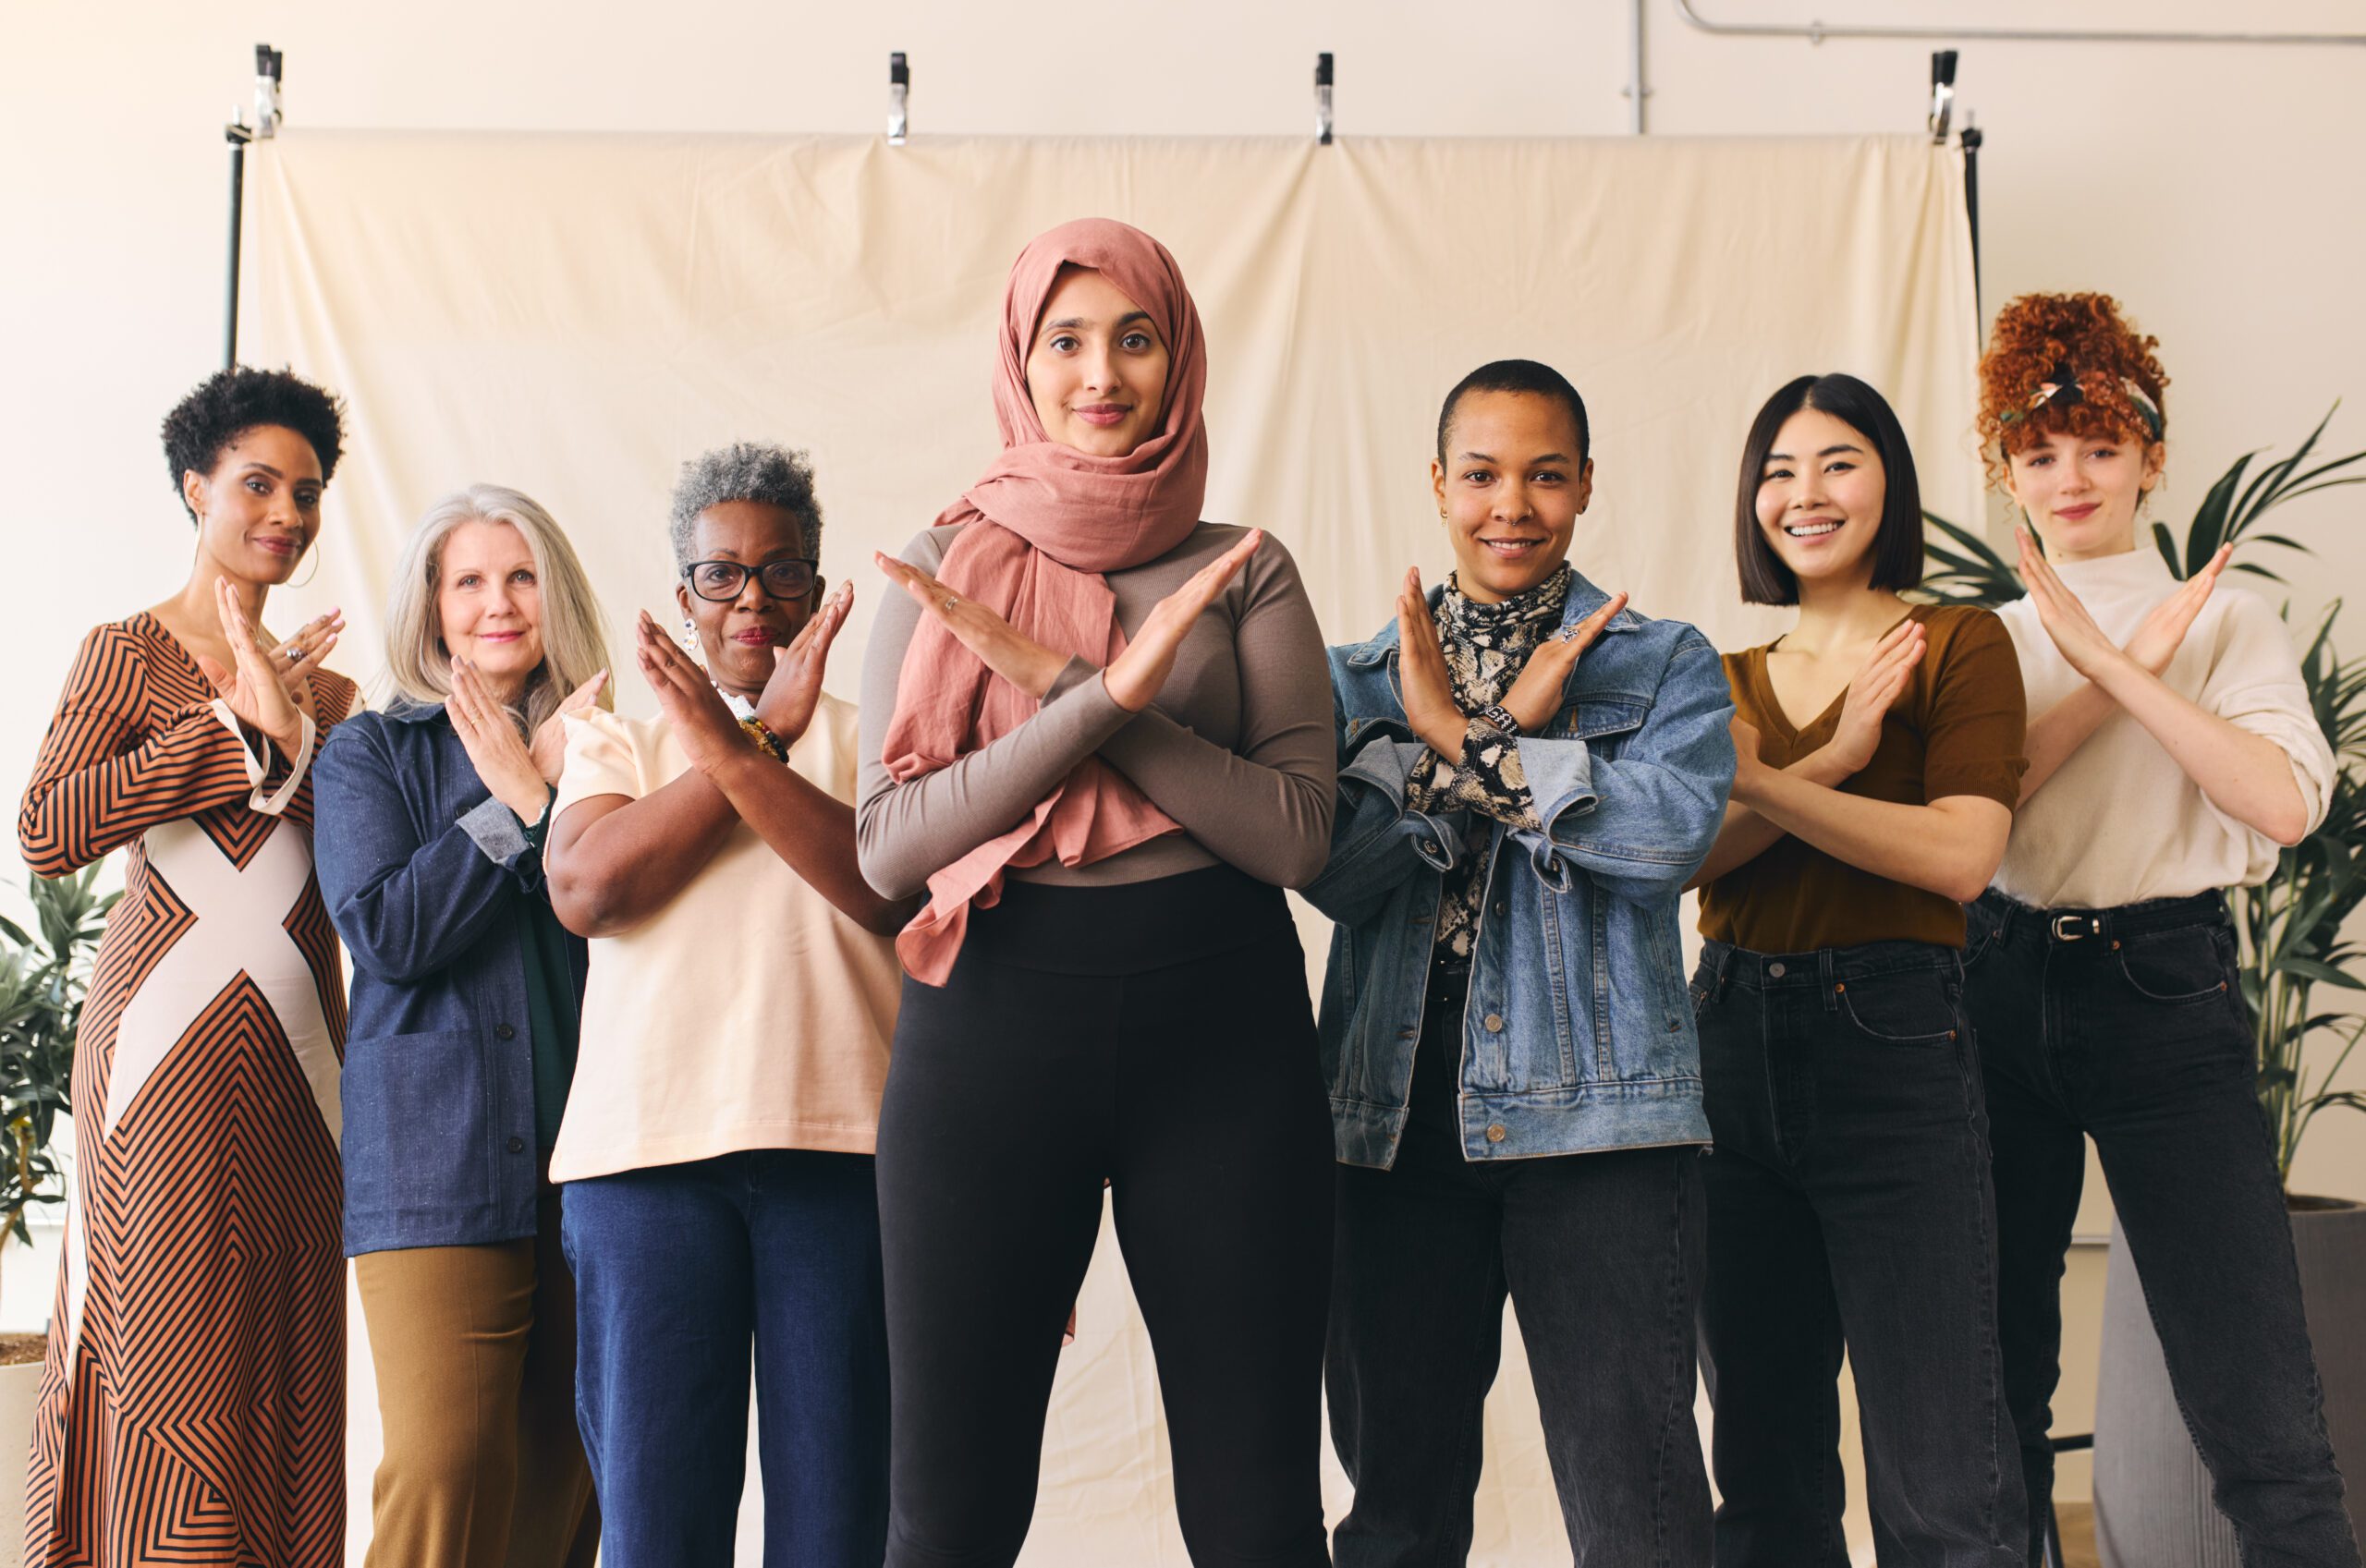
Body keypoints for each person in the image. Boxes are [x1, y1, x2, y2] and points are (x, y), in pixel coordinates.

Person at [857, 217, 1336, 1568]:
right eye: (1066, 339)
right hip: (991, 1031)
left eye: (1136, 337)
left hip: (1224, 1032)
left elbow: (1298, 836)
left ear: (1179, 354)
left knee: (1257, 1518)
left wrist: (1082, 691)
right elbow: (888, 851)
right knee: (946, 1518)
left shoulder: (1244, 565)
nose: (1101, 372)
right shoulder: (941, 563)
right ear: (1021, 358)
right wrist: (1114, 701)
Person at [1305, 359, 1733, 1565]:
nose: (1514, 504)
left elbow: (1663, 840)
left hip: (1603, 1129)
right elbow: (1337, 874)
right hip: (1390, 1122)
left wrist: (1456, 748)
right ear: (1438, 484)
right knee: (1396, 1513)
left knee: (1639, 1512)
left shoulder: (1661, 664)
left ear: (1587, 485)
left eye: (1546, 474)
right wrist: (1493, 755)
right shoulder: (1356, 679)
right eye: (1484, 474)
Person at [1963, 292, 2359, 1567]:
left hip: (2166, 990)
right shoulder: (1984, 642)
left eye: (2097, 445)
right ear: (2005, 471)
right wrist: (2103, 664)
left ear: (2150, 456)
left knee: (2256, 1399)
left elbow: (2286, 806)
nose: (2069, 478)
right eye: (2039, 453)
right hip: (1993, 985)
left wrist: (2137, 663)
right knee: (1995, 1388)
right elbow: (1973, 823)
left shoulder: (2225, 619)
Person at [545, 443, 909, 1567]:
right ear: (681, 594)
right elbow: (590, 886)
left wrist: (772, 741)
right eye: (721, 573)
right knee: (656, 1534)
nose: (753, 596)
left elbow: (890, 894)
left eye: (782, 570)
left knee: (837, 1529)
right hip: (645, 1166)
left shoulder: (883, 736)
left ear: (815, 584)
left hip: (845, 1161)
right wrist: (757, 739)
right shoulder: (618, 738)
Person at [1688, 372, 2029, 1567]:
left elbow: (1961, 856)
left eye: (1838, 461)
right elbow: (1694, 865)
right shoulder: (1718, 673)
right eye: (1779, 470)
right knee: (1766, 1468)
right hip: (1724, 1042)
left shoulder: (1958, 642)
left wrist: (1775, 781)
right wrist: (1831, 761)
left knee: (1941, 1472)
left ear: (1890, 479)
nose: (1805, 493)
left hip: (1894, 1042)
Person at [17, 365, 356, 1567]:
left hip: (307, 1068)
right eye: (258, 483)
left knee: (289, 1350)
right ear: (195, 487)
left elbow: (358, 871)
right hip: (163, 1054)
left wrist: (296, 722)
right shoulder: (130, 652)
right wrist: (227, 733)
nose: (286, 511)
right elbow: (48, 831)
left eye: (307, 491)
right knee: (164, 1341)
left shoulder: (339, 691)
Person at [312, 485, 611, 1568]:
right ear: (432, 608)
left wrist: (564, 779)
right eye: (470, 580)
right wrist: (515, 798)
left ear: (555, 593)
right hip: (434, 1166)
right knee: (446, 1469)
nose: (499, 602)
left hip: (596, 1161)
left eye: (521, 574)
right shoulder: (369, 756)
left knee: (568, 1479)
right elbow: (387, 931)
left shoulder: (614, 747)